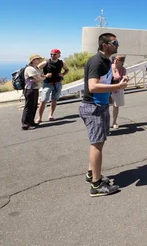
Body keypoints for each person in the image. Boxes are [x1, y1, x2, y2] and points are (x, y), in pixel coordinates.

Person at [80, 33, 128, 197]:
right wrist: (118, 85)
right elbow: (93, 87)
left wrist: (118, 84)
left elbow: (106, 83)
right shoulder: (96, 61)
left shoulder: (107, 62)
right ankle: (96, 185)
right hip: (93, 107)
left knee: (97, 143)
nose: (117, 45)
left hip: (100, 106)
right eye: (115, 42)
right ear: (104, 44)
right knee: (97, 144)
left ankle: (91, 173)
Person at [37, 49, 69, 122]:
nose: (52, 55)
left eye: (54, 54)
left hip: (58, 84)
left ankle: (50, 115)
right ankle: (39, 118)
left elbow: (67, 70)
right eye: (51, 54)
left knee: (54, 100)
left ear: (59, 55)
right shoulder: (46, 62)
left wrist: (63, 74)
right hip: (47, 84)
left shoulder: (61, 62)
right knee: (43, 101)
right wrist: (45, 75)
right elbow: (36, 70)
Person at [22, 54, 46, 130]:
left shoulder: (36, 68)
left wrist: (41, 78)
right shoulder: (30, 69)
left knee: (34, 106)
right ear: (33, 60)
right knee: (28, 107)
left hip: (35, 89)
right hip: (30, 90)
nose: (39, 60)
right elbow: (39, 78)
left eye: (39, 59)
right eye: (37, 59)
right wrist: (42, 78)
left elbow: (40, 77)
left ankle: (31, 122)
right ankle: (25, 124)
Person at [110, 55, 127, 129]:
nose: (116, 60)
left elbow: (123, 79)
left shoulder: (123, 69)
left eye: (118, 60)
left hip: (118, 90)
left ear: (122, 62)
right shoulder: (110, 67)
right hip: (109, 89)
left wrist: (125, 78)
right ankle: (106, 123)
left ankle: (114, 122)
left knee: (116, 106)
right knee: (105, 107)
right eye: (115, 59)